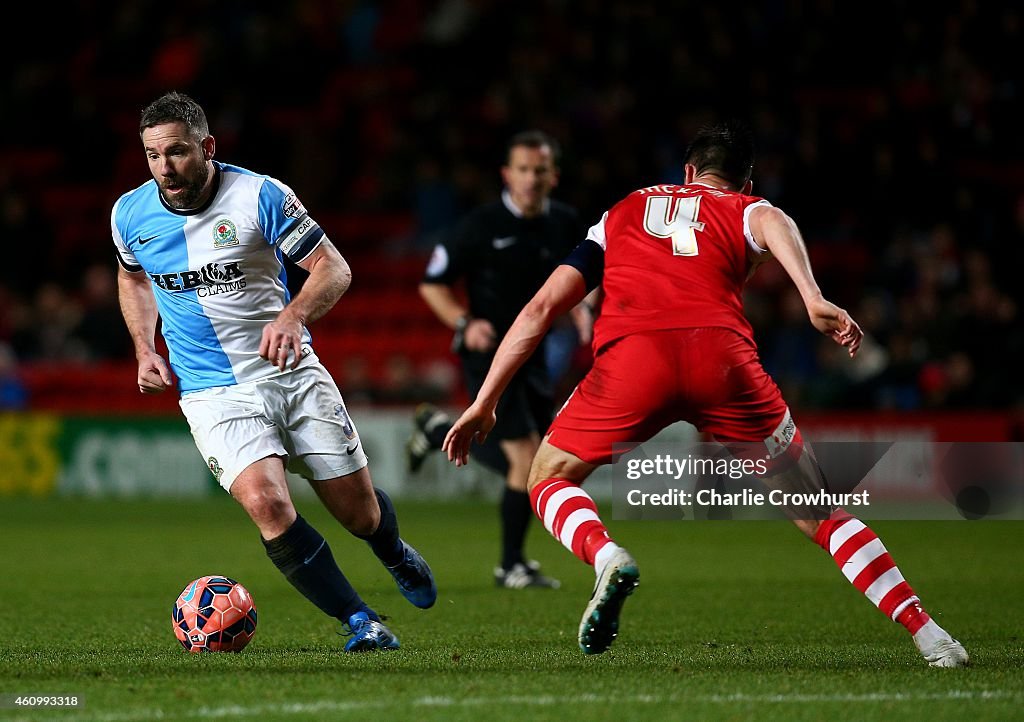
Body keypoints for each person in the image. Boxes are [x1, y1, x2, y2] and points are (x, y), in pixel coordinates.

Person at [442, 120, 969, 667]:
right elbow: (773, 219)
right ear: (743, 181)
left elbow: (539, 309)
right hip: (723, 363)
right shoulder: (745, 208)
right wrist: (812, 296)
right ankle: (930, 635)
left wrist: (485, 401)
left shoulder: (621, 212)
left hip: (633, 363)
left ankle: (606, 557)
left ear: (688, 172)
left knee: (547, 477)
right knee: (820, 510)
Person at [111, 91, 436, 652]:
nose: (166, 168)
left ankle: (392, 551)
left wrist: (292, 316)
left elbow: (333, 268)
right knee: (267, 503)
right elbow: (134, 277)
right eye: (153, 155)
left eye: (179, 152)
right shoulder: (129, 214)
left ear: (207, 146)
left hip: (289, 372)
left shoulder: (260, 195)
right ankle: (360, 620)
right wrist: (144, 346)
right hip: (212, 392)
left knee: (358, 515)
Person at [408, 130, 593, 589]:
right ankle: (510, 565)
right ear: (507, 175)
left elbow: (590, 274)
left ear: (554, 176)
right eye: (524, 170)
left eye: (540, 170)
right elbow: (432, 283)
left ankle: (436, 431)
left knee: (529, 459)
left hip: (536, 356)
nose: (531, 179)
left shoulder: (567, 222)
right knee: (527, 458)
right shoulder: (480, 226)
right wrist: (464, 322)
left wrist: (585, 308)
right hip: (489, 354)